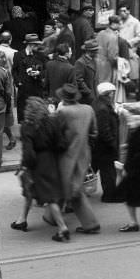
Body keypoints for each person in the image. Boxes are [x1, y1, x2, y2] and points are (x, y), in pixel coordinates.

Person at [10, 96, 69, 241]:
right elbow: (61, 144)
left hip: (37, 164)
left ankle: (62, 228)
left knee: (48, 196)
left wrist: (25, 165)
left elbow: (28, 152)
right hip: (50, 160)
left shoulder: (27, 126)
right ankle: (21, 220)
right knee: (31, 190)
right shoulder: (52, 122)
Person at [56, 83, 101, 234]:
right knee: (73, 184)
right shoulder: (88, 109)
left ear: (63, 98)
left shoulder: (63, 112)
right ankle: (54, 214)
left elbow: (56, 134)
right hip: (84, 152)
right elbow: (94, 132)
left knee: (70, 185)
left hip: (67, 154)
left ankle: (90, 223)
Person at [91, 81, 120, 203]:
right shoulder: (103, 109)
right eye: (112, 93)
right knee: (108, 172)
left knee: (93, 169)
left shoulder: (98, 104)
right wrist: (112, 144)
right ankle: (109, 195)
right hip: (104, 147)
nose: (113, 95)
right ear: (108, 94)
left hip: (98, 147)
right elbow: (104, 130)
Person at [13, 33, 47, 123]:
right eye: (36, 45)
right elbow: (14, 71)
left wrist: (39, 73)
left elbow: (46, 70)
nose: (38, 47)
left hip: (36, 87)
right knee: (23, 112)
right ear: (30, 45)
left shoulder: (41, 56)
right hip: (24, 88)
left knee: (37, 112)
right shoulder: (18, 55)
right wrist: (18, 82)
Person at [117, 3, 140, 86]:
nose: (123, 13)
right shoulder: (118, 21)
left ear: (129, 11)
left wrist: (128, 42)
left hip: (130, 50)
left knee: (131, 73)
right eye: (121, 11)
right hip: (119, 50)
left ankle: (132, 89)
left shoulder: (135, 22)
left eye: (125, 10)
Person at [96, 14, 121, 84]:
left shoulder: (100, 33)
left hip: (96, 63)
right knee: (105, 88)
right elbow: (113, 56)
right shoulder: (113, 37)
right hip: (106, 66)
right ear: (113, 24)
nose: (120, 26)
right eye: (119, 24)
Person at [74, 38, 99, 105]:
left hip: (93, 94)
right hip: (86, 97)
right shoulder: (80, 62)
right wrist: (88, 92)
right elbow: (78, 80)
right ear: (89, 51)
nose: (97, 52)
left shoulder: (93, 60)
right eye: (95, 50)